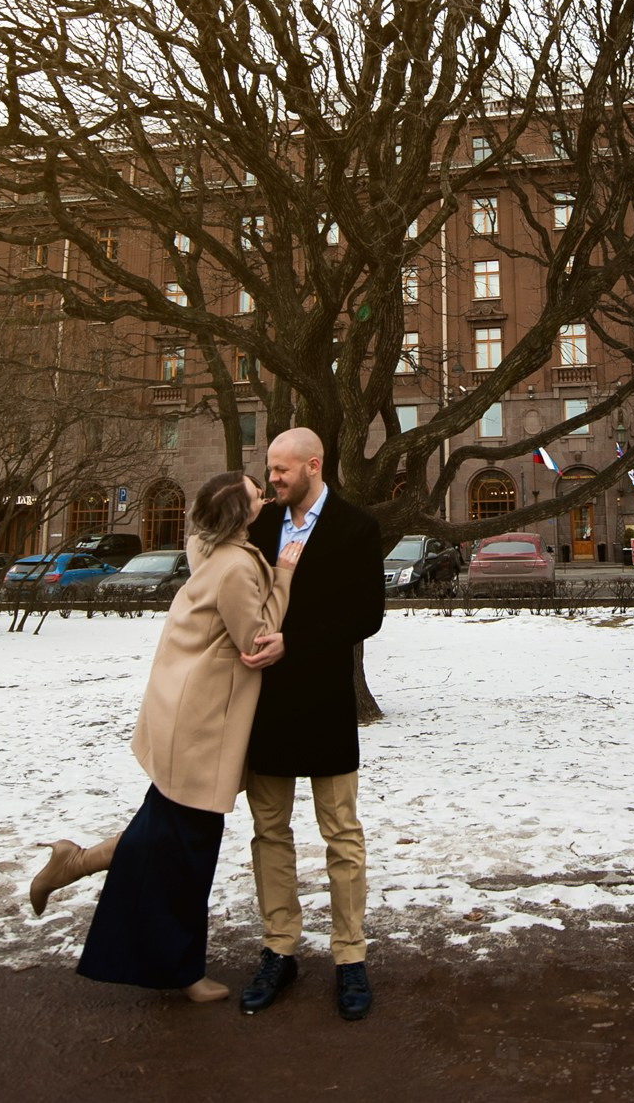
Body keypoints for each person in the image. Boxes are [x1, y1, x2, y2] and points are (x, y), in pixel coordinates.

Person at [27, 470, 290, 1001]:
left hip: (182, 712)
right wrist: (284, 575)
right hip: (203, 723)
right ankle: (181, 970)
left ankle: (73, 862)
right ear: (241, 516)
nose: (264, 491)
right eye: (254, 491)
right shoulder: (236, 567)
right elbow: (256, 640)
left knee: (167, 833)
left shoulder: (206, 549)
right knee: (185, 850)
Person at [236, 427, 386, 1021]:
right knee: (269, 831)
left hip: (324, 701)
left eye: (280, 470)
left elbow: (365, 615)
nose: (271, 479)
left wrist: (291, 644)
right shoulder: (261, 527)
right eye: (270, 470)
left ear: (313, 466)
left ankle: (350, 956)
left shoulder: (356, 528)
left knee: (340, 833)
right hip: (265, 704)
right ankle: (280, 948)